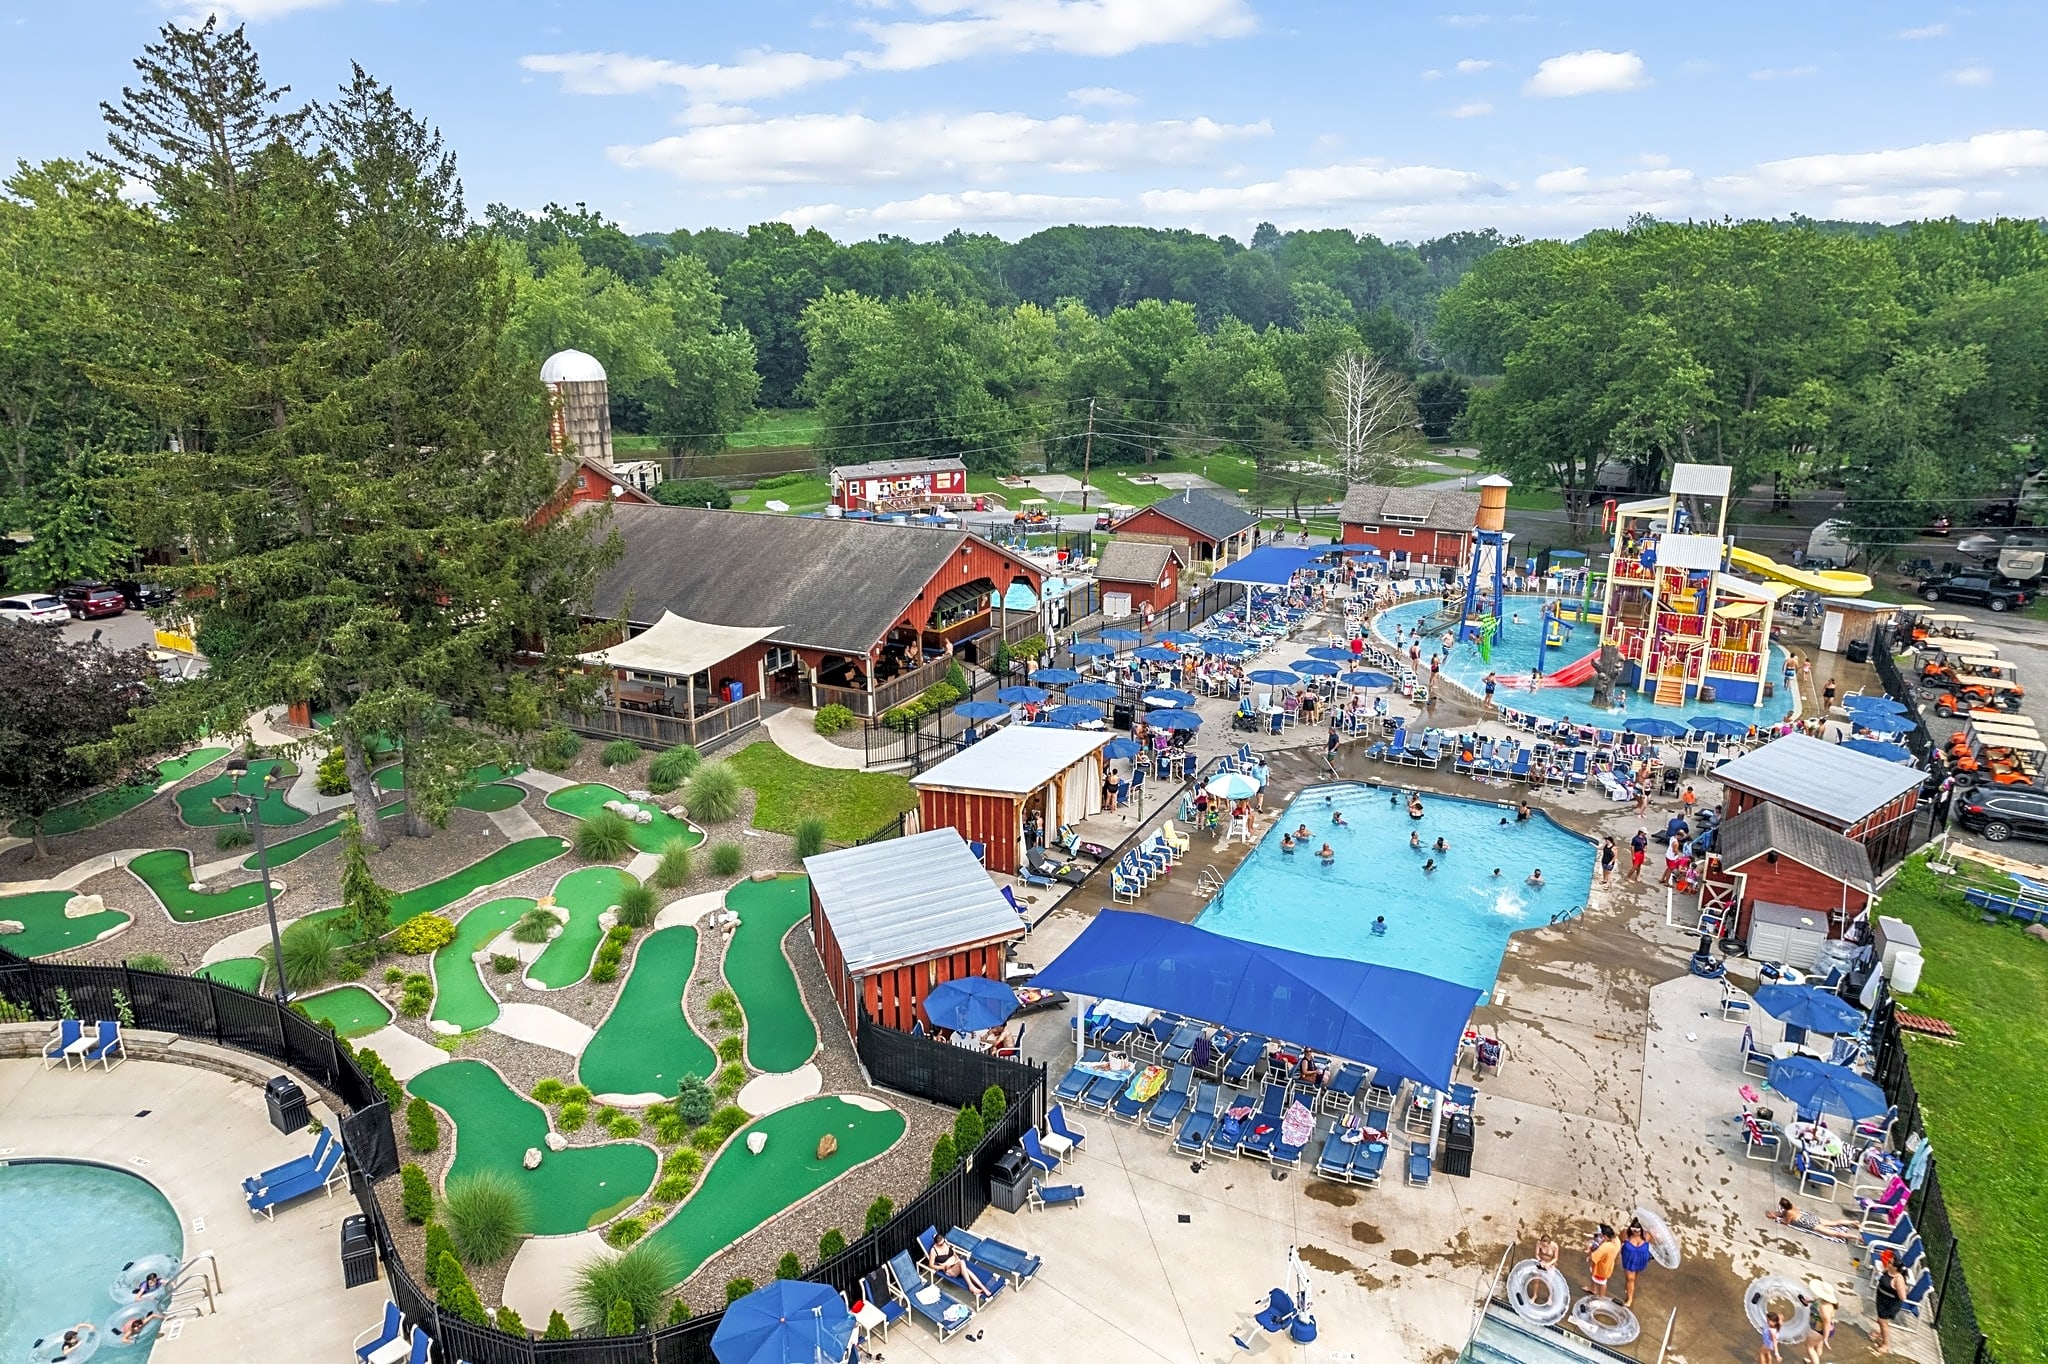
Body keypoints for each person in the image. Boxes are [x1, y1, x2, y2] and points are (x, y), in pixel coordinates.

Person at [928, 1233, 994, 1302]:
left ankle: (983, 1288)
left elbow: (953, 1252)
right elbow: (931, 1265)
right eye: (940, 1244)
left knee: (966, 1269)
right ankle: (971, 1286)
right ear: (936, 1243)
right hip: (949, 1270)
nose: (942, 1244)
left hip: (956, 1264)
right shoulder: (933, 1250)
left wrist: (956, 1258)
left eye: (943, 1242)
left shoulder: (945, 1243)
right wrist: (943, 1267)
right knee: (962, 1263)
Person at [1766, 1198, 1863, 1240]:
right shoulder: (1792, 1207)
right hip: (1811, 1218)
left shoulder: (1789, 1213)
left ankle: (1857, 1237)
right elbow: (1782, 1213)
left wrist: (1775, 1217)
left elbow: (1786, 1222)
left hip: (1811, 1224)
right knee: (1835, 1223)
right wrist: (1774, 1213)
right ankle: (1854, 1222)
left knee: (1836, 1234)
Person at [1872, 1251, 1907, 1351]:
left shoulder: (1898, 1279)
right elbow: (1881, 1276)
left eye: (1890, 1262)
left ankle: (1885, 1345)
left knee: (1883, 1322)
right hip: (1881, 1300)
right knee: (1880, 1320)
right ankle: (1880, 1334)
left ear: (1895, 1267)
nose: (1888, 1262)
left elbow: (1903, 1297)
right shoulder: (1888, 1270)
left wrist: (1902, 1288)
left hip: (1889, 1304)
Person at [1618, 1222, 1653, 1306]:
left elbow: (1656, 1244)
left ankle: (1629, 1287)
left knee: (1633, 1277)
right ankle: (1630, 1299)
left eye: (1638, 1230)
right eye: (1634, 1230)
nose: (1636, 1233)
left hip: (1641, 1260)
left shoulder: (1647, 1235)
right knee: (1630, 1279)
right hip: (1629, 1260)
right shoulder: (1625, 1234)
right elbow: (1619, 1242)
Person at [1804, 1280, 1837, 1363]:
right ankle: (1813, 1360)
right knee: (1818, 1346)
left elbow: (1827, 1324)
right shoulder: (1827, 1302)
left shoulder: (1824, 1308)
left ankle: (1814, 1361)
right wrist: (1810, 1301)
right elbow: (1817, 1301)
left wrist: (1825, 1338)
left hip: (1819, 1330)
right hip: (1824, 1330)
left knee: (1809, 1347)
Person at [1586, 1224, 1619, 1298]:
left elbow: (1594, 1258)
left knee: (1602, 1282)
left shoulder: (1605, 1247)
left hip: (1601, 1268)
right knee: (1599, 1280)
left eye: (1602, 1236)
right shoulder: (1617, 1241)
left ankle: (1601, 1297)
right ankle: (1593, 1289)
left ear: (1606, 1236)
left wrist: (1589, 1250)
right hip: (1609, 1265)